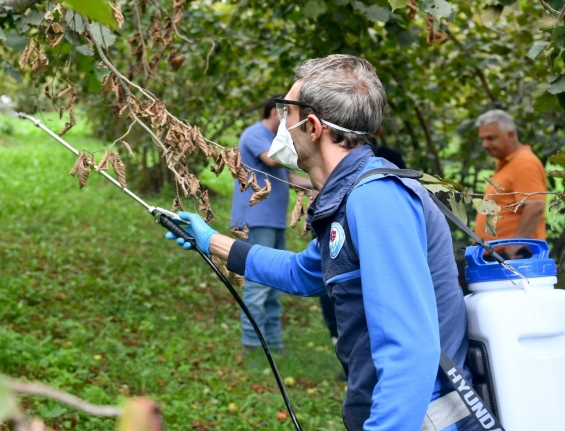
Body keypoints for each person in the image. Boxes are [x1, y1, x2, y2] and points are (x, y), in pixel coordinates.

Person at [167, 55, 480, 431]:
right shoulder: (350, 196)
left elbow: (410, 352)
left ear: (312, 126)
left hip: (420, 417)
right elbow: (303, 273)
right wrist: (210, 241)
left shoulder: (375, 198)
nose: (280, 125)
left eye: (286, 112)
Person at [231, 96, 313, 353]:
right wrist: (309, 152)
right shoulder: (256, 134)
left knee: (274, 284)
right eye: (290, 115)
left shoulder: (274, 140)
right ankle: (252, 347)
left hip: (274, 223)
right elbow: (272, 161)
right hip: (256, 221)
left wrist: (321, 181)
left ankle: (275, 345)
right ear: (276, 114)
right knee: (257, 285)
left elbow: (289, 176)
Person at [473, 109, 547, 259]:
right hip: (499, 254)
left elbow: (536, 206)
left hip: (515, 256)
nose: (485, 144)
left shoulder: (525, 163)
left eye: (491, 138)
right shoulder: (507, 163)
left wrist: (515, 245)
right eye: (482, 139)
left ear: (511, 135)